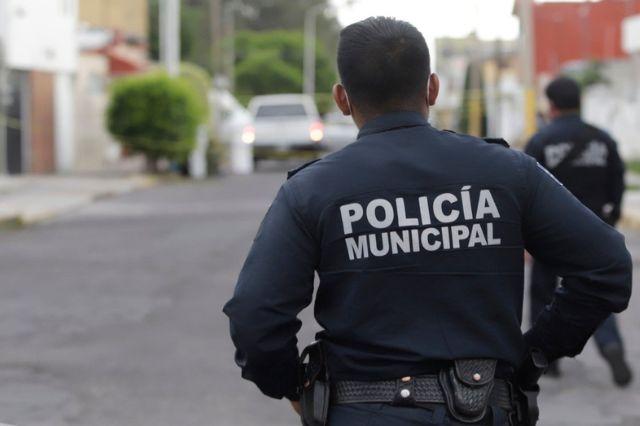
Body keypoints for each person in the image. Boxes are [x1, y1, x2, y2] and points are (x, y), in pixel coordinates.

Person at [223, 17, 632, 425]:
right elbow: (607, 265)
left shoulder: (311, 191)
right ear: (432, 88)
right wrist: (535, 352)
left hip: (359, 412)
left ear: (341, 99)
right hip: (482, 409)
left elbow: (255, 316)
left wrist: (294, 386)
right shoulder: (508, 173)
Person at [524, 76, 632, 387]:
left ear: (552, 105)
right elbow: (618, 181)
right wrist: (610, 221)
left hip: (549, 233)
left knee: (545, 296)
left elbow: (525, 188)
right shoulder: (603, 139)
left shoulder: (542, 140)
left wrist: (525, 236)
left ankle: (546, 359)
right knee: (593, 295)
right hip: (594, 230)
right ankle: (611, 346)